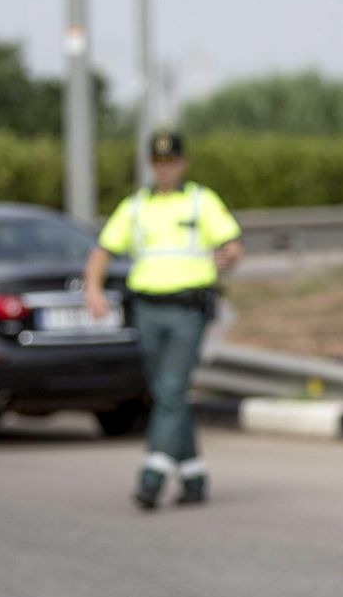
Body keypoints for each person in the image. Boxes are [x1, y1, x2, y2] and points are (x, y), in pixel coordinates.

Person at [83, 131, 243, 509]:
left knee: (170, 390)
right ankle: (193, 476)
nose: (164, 169)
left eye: (170, 162)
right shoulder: (137, 206)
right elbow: (103, 251)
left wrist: (229, 258)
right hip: (148, 309)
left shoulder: (200, 201)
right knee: (166, 393)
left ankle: (151, 476)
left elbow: (232, 244)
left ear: (182, 163)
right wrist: (92, 289)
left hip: (188, 309)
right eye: (158, 163)